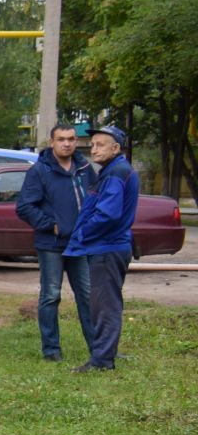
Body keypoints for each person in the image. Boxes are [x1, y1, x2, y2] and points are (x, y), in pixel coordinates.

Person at [14, 123, 98, 362]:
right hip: (51, 245)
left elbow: (94, 198)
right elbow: (24, 207)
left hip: (80, 244)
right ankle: (51, 351)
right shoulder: (40, 171)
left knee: (88, 295)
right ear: (52, 142)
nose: (67, 143)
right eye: (61, 139)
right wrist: (51, 224)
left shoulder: (83, 168)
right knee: (51, 295)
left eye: (71, 139)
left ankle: (98, 348)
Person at [65, 125, 140, 373]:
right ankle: (105, 354)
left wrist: (84, 234)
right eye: (93, 144)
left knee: (104, 305)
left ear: (116, 148)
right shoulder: (113, 170)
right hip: (109, 246)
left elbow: (107, 214)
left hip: (107, 248)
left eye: (101, 145)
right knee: (106, 303)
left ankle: (102, 362)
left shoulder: (116, 172)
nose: (94, 149)